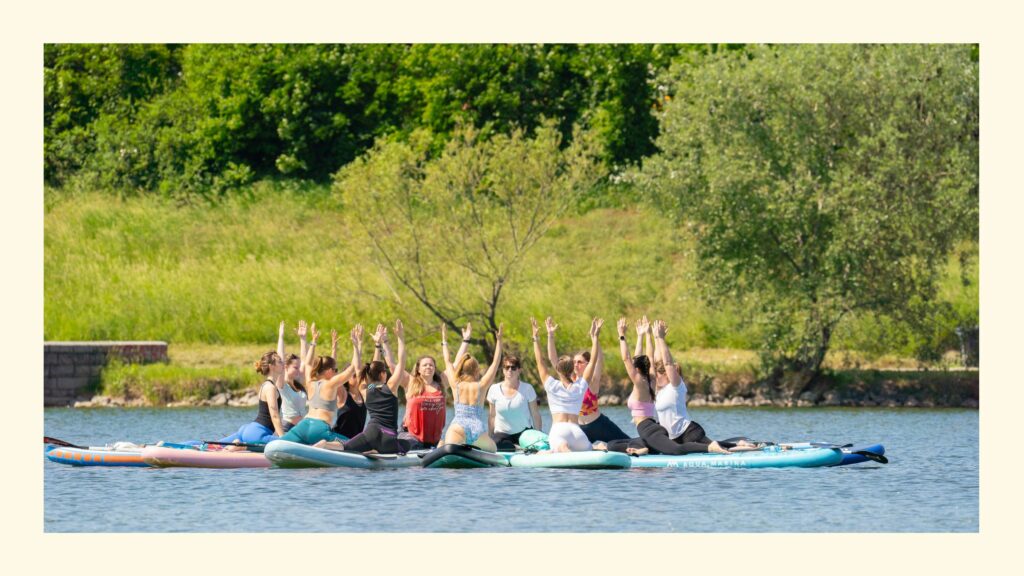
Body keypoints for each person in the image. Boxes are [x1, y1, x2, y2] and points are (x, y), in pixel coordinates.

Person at [599, 319, 749, 455]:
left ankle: (711, 447)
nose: (659, 373)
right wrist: (646, 336)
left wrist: (622, 335)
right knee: (612, 444)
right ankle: (640, 448)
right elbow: (649, 357)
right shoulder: (652, 383)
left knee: (676, 450)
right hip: (656, 430)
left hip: (657, 429)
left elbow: (627, 359)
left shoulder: (645, 383)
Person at [331, 319, 410, 454]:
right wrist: (400, 338)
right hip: (389, 439)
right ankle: (374, 451)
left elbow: (357, 367)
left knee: (342, 447)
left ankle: (318, 448)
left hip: (370, 434)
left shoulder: (366, 389)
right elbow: (401, 362)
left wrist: (357, 346)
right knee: (407, 444)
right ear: (384, 374)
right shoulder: (391, 387)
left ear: (368, 375)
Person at [544, 317, 629, 443]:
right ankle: (598, 448)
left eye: (580, 362)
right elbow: (553, 359)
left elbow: (598, 359)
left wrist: (595, 337)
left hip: (598, 424)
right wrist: (550, 335)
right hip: (578, 429)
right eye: (574, 362)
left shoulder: (591, 381)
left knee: (628, 442)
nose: (576, 364)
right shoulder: (568, 381)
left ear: (587, 364)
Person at [279, 324, 361, 447]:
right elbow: (352, 369)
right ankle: (325, 444)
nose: (335, 372)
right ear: (328, 371)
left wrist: (313, 342)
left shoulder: (310, 382)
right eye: (335, 369)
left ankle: (251, 446)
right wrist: (356, 346)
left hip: (303, 426)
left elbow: (307, 363)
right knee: (353, 443)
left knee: (279, 443)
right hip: (320, 429)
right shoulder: (331, 384)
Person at [533, 317, 602, 452]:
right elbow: (592, 362)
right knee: (589, 448)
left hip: (560, 430)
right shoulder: (580, 386)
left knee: (561, 447)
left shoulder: (551, 385)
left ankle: (559, 450)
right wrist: (595, 338)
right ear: (572, 369)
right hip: (578, 434)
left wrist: (535, 338)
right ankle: (594, 447)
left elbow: (539, 361)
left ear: (557, 369)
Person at [441, 323, 504, 452]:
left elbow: (447, 361)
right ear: (476, 371)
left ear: (461, 369)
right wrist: (499, 341)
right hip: (478, 429)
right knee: (494, 449)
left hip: (458, 426)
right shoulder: (482, 385)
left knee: (444, 445)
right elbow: (495, 363)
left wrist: (444, 341)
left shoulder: (456, 384)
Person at [399, 323, 461, 450]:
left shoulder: (441, 384)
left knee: (446, 444)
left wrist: (465, 340)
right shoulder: (411, 383)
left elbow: (455, 363)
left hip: (433, 440)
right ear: (418, 369)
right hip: (411, 437)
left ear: (434, 368)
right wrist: (385, 344)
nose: (428, 367)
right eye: (425, 365)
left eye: (431, 365)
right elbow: (395, 365)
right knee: (414, 445)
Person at [218, 351, 285, 444]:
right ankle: (238, 446)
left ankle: (236, 446)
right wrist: (283, 439)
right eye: (280, 361)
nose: (283, 363)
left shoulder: (267, 385)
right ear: (271, 366)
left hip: (249, 430)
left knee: (214, 444)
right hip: (258, 433)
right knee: (292, 442)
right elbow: (274, 415)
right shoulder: (271, 388)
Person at [487, 354, 543, 451]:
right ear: (503, 369)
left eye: (513, 368)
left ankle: (522, 446)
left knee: (536, 444)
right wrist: (490, 437)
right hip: (502, 434)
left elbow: (535, 414)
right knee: (495, 443)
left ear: (519, 370)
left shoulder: (527, 388)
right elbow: (492, 416)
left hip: (524, 434)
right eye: (507, 367)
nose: (509, 370)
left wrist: (538, 436)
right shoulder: (494, 389)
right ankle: (518, 448)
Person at [276, 321, 307, 433]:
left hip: (301, 428)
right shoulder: (282, 384)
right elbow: (280, 358)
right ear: (285, 367)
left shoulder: (298, 382)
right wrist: (281, 337)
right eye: (295, 367)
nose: (299, 370)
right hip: (287, 428)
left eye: (299, 367)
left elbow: (304, 361)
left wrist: (303, 339)